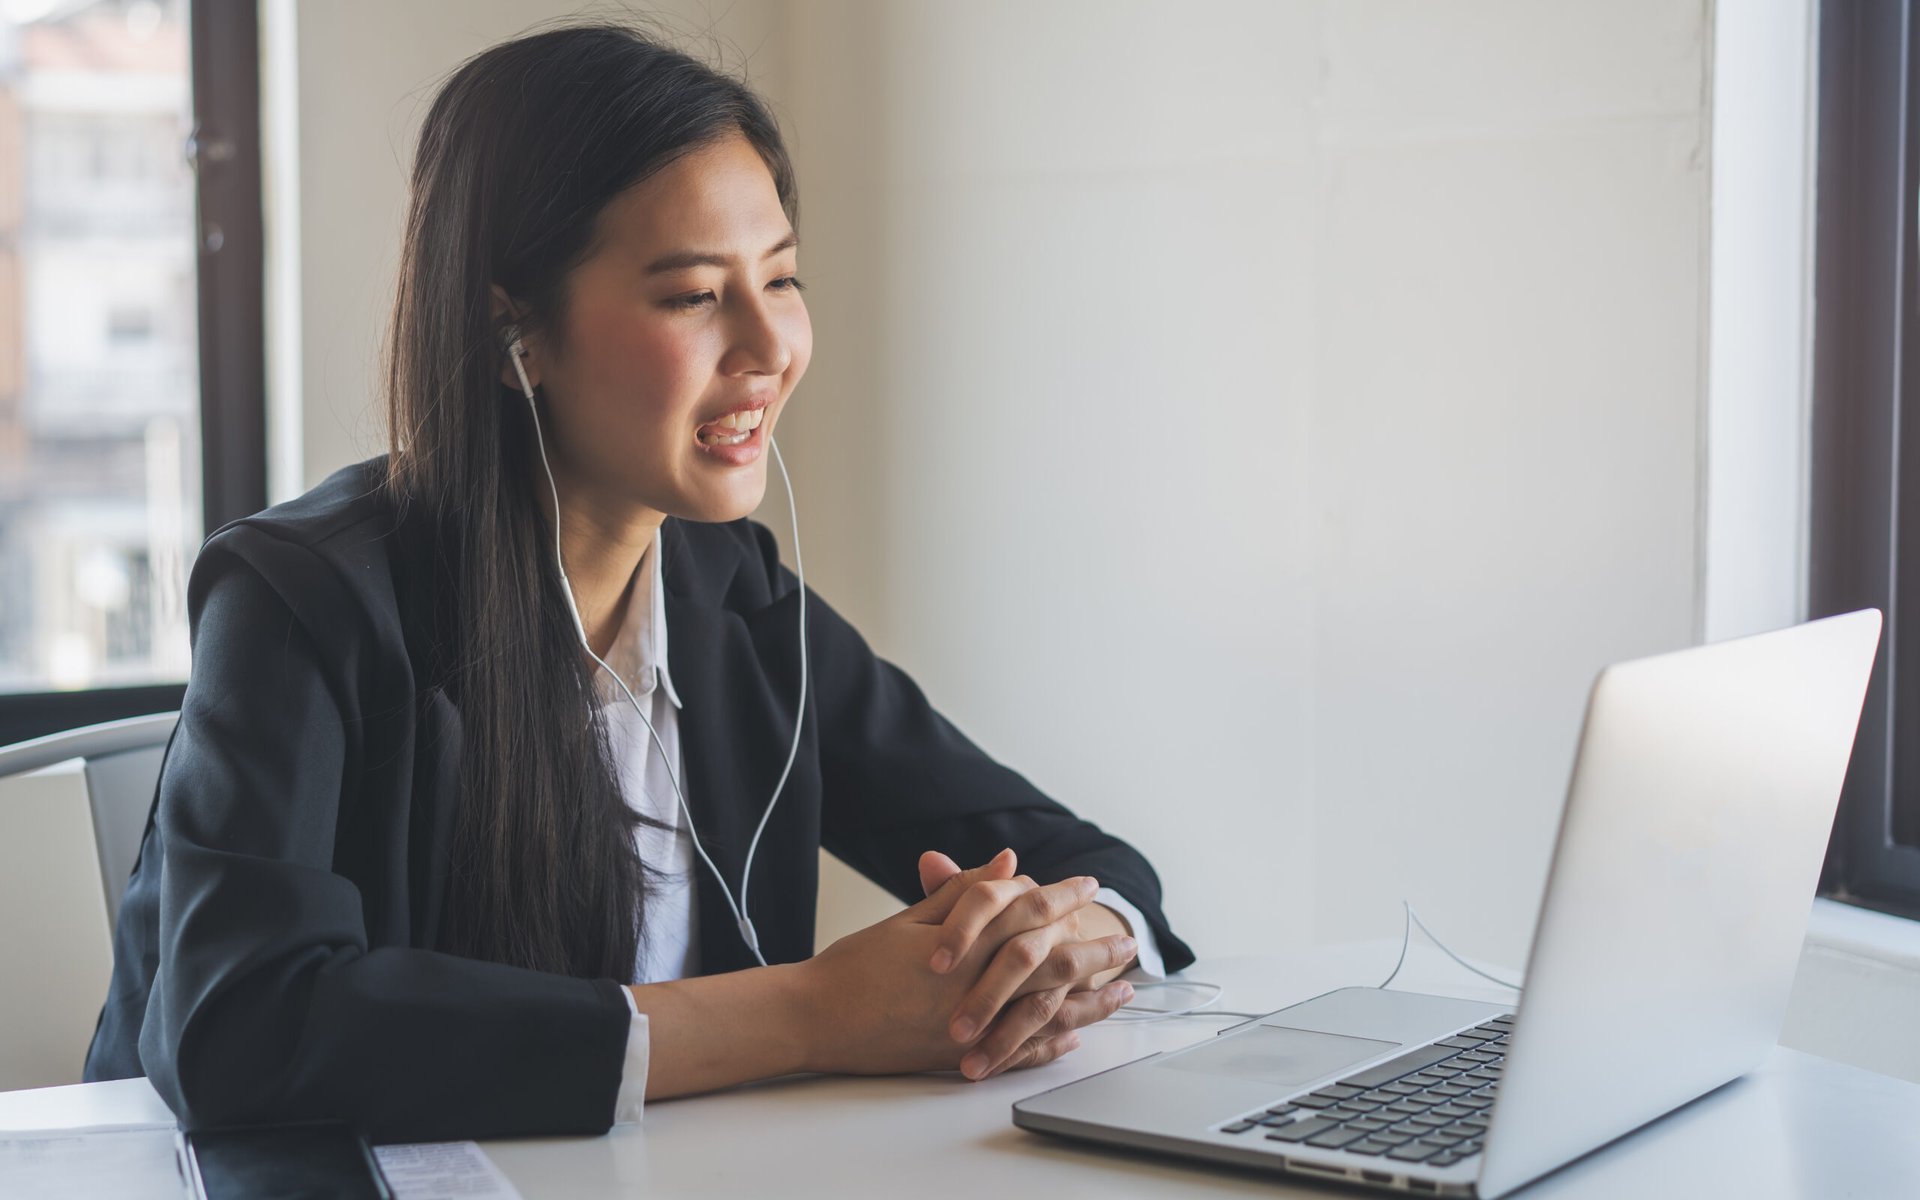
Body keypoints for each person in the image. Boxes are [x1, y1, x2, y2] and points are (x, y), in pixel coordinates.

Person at [82, 20, 1193, 1143]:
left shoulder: (733, 594)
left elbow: (1083, 861)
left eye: (783, 277)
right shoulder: (300, 601)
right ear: (514, 327)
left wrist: (1076, 934)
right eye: (694, 295)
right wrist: (812, 1014)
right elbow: (243, 1029)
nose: (771, 346)